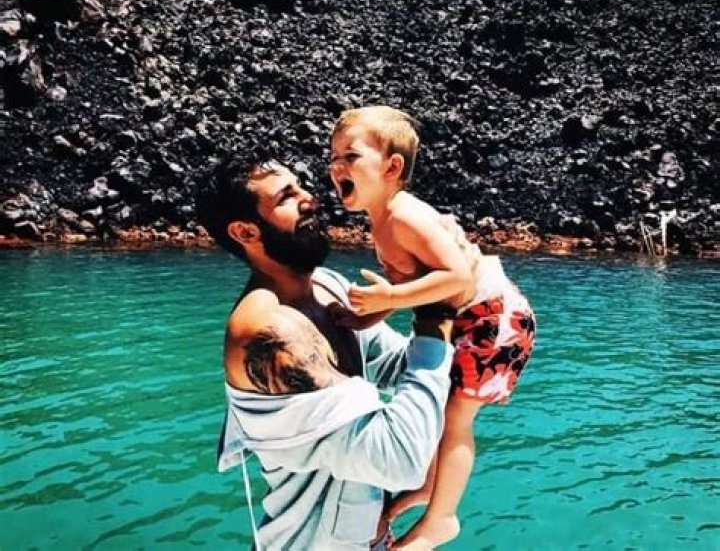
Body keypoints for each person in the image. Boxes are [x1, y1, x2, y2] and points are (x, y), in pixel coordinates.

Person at [195, 157, 455, 549]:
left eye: (300, 184)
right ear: (245, 231)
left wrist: (429, 279)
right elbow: (400, 459)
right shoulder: (268, 331)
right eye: (286, 196)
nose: (310, 198)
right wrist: (436, 309)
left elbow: (399, 365)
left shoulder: (326, 287)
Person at [329, 106, 537, 549]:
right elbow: (413, 287)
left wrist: (388, 298)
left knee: (457, 419)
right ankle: (427, 488)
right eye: (332, 158)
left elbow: (457, 276)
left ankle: (441, 519)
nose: (336, 167)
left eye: (350, 156)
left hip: (494, 318)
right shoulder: (383, 221)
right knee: (442, 412)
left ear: (392, 168)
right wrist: (367, 316)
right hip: (474, 318)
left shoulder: (404, 216)